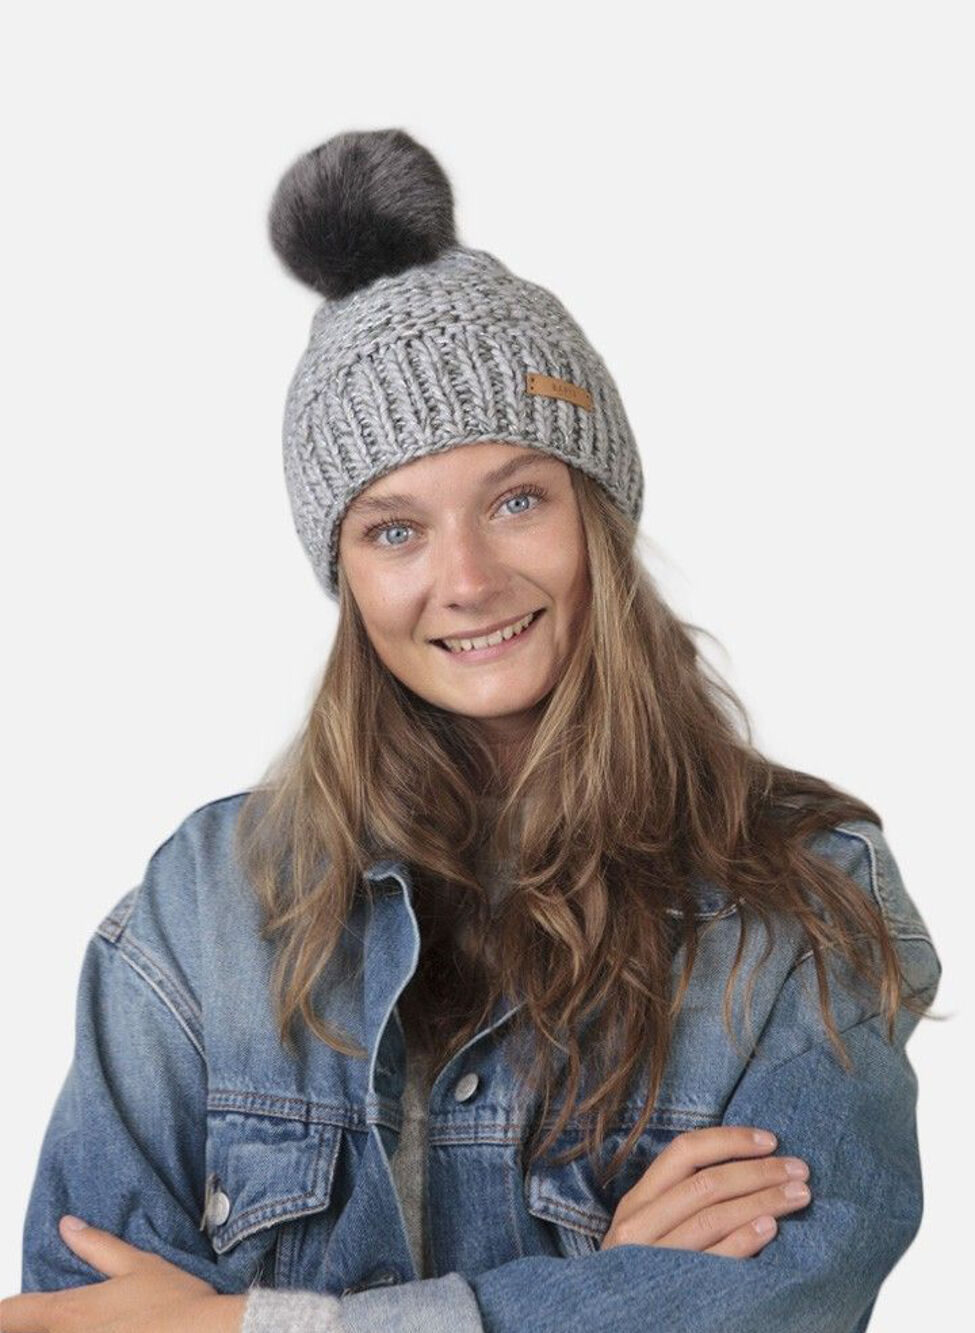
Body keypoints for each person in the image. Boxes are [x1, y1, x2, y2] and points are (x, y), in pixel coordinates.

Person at [5, 128, 943, 1333]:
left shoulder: (803, 896)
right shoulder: (205, 907)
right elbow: (73, 1324)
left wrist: (248, 1324)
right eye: (395, 529)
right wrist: (609, 1294)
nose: (467, 580)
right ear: (345, 572)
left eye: (516, 499)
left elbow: (779, 1309)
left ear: (597, 515)